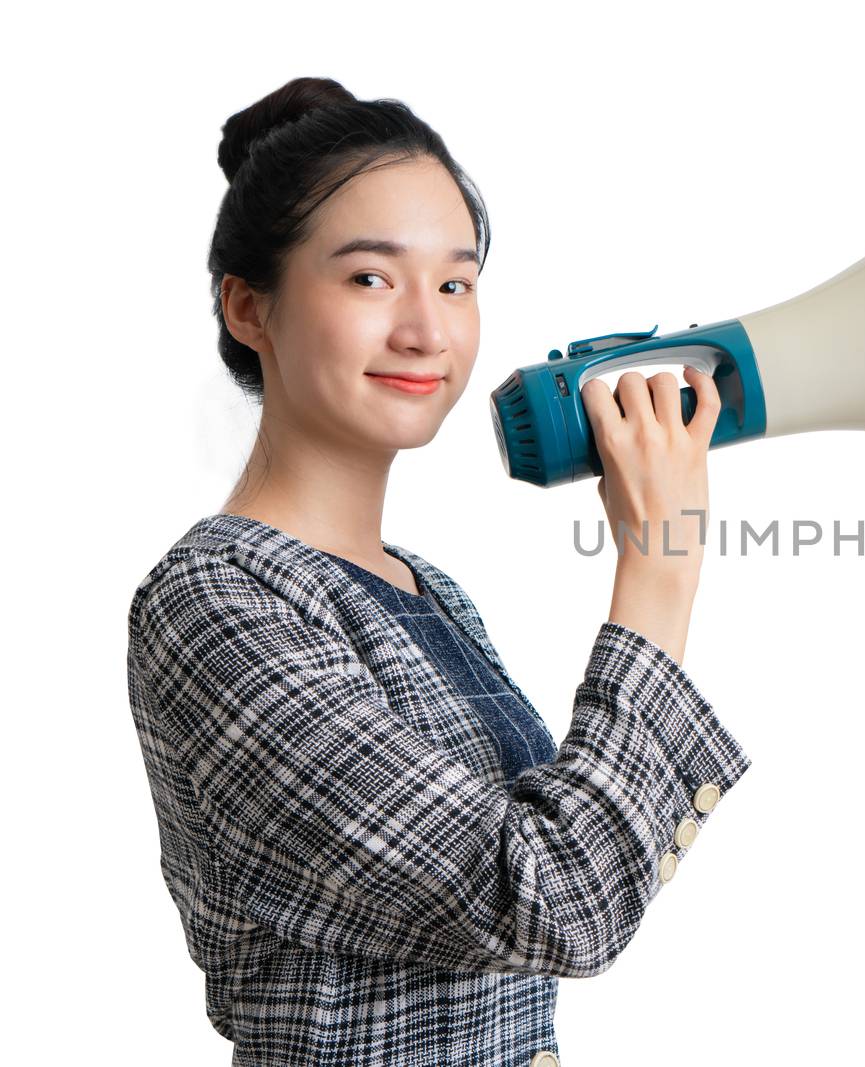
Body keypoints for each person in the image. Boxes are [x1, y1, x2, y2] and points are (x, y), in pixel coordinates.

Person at [124, 76, 752, 1067]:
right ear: (249, 306)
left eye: (455, 282)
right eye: (371, 278)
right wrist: (658, 563)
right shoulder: (219, 599)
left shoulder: (428, 590)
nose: (427, 330)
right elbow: (556, 900)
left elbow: (559, 867)